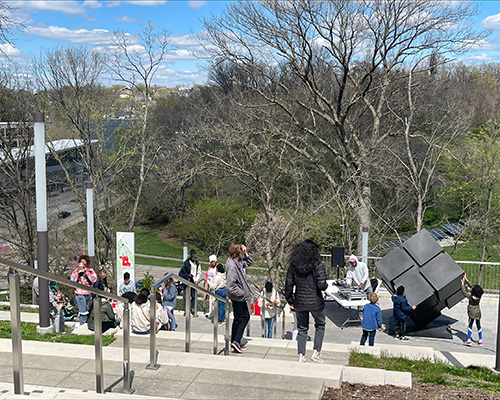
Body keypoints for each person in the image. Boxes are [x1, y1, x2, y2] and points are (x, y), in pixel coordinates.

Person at [285, 239, 328, 363]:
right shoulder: (318, 265)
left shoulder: (293, 266)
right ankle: (316, 352)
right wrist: (326, 285)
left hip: (300, 301)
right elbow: (321, 285)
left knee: (302, 328)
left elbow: (288, 284)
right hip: (316, 302)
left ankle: (301, 354)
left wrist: (290, 299)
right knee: (320, 325)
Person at [226, 243, 253, 353]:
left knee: (238, 319)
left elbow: (248, 262)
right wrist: (242, 293)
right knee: (245, 317)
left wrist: (246, 253)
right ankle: (236, 341)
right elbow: (230, 286)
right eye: (241, 250)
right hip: (238, 296)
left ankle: (235, 341)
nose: (242, 251)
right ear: (237, 252)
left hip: (240, 296)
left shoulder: (237, 262)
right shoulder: (232, 266)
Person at [70, 255, 97, 325]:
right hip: (80, 293)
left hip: (88, 293)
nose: (82, 265)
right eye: (81, 263)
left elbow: (94, 280)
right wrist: (77, 272)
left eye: (84, 264)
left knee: (87, 311)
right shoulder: (76, 271)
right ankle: (82, 325)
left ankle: (85, 324)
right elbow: (72, 280)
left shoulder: (90, 271)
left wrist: (86, 272)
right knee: (83, 312)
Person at [461, 273, 484, 346]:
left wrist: (462, 284)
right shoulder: (479, 297)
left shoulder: (470, 297)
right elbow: (473, 287)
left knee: (470, 325)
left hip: (471, 312)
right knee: (478, 325)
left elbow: (464, 292)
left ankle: (468, 340)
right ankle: (480, 340)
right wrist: (466, 280)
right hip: (478, 312)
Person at [179, 249, 201, 316]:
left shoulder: (197, 264)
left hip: (194, 282)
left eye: (196, 258)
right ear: (191, 257)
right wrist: (188, 275)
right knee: (186, 296)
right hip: (187, 281)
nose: (195, 259)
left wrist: (196, 279)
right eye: (194, 258)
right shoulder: (186, 263)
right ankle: (186, 310)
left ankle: (193, 308)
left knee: (193, 296)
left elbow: (199, 272)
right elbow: (181, 273)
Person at [204, 255, 219, 319]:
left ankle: (215, 313)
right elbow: (207, 276)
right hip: (210, 285)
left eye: (213, 261)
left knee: (215, 300)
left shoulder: (217, 267)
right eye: (211, 262)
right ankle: (210, 312)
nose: (212, 263)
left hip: (215, 285)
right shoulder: (210, 268)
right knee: (211, 300)